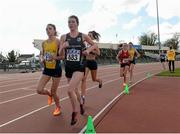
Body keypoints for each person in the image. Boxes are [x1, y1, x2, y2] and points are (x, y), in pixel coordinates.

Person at [59, 15, 97, 125]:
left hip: (80, 67)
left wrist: (88, 50)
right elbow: (60, 55)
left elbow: (94, 45)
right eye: (69, 22)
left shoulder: (83, 36)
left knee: (70, 90)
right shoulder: (63, 37)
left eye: (73, 22)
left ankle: (74, 112)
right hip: (68, 67)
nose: (71, 24)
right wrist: (62, 47)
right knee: (74, 90)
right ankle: (81, 104)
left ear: (77, 23)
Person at [37, 24, 63, 116]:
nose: (48, 30)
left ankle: (58, 107)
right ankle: (49, 95)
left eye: (50, 29)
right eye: (46, 29)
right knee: (39, 90)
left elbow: (63, 56)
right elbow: (41, 54)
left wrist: (54, 57)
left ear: (54, 30)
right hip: (47, 69)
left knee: (54, 91)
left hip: (56, 69)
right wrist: (41, 59)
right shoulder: (44, 43)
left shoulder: (59, 42)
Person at [81, 31, 102, 105]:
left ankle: (99, 81)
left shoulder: (94, 44)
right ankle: (83, 96)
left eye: (90, 35)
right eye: (88, 35)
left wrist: (91, 51)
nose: (88, 36)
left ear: (93, 37)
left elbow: (99, 53)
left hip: (93, 62)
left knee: (94, 79)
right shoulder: (84, 43)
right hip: (86, 62)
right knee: (83, 78)